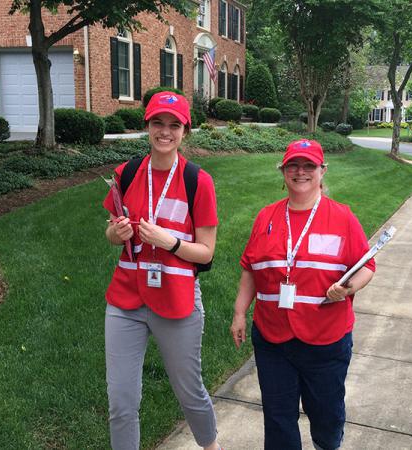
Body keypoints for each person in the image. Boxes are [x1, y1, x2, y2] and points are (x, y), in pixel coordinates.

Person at [230, 139, 375, 450]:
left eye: (309, 165)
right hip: (272, 338)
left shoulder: (342, 217)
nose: (300, 172)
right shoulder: (266, 217)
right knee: (278, 418)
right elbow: (250, 270)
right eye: (293, 165)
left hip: (326, 339)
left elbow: (367, 266)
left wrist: (347, 288)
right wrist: (240, 312)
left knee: (325, 416)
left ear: (322, 171)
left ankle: (328, 442)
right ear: (283, 171)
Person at [103, 91, 221, 450]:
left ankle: (211, 446)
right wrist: (116, 232)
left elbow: (206, 253)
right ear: (148, 126)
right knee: (121, 402)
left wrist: (169, 242)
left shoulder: (198, 181)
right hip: (126, 300)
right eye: (158, 123)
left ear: (185, 130)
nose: (165, 132)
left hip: (177, 300)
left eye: (174, 125)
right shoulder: (127, 173)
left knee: (190, 392)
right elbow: (111, 233)